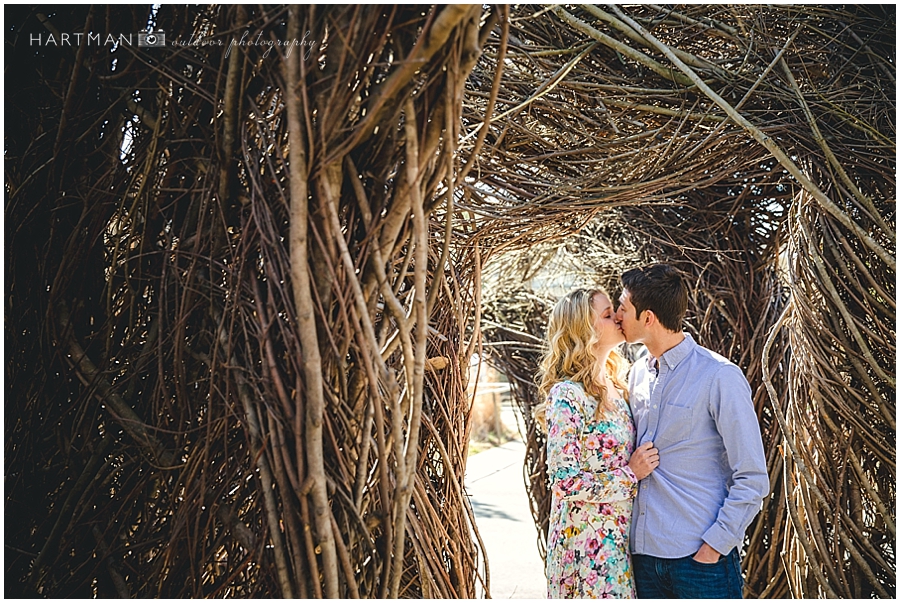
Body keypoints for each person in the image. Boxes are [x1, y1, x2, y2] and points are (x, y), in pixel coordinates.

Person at [615, 264, 769, 599]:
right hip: (643, 560)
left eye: (623, 308)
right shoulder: (636, 374)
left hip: (699, 563)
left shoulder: (719, 376)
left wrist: (716, 545)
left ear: (649, 318)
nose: (616, 316)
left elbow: (753, 476)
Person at [535, 288, 659, 599]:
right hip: (584, 546)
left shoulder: (619, 385)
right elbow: (565, 482)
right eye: (607, 315)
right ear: (584, 330)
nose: (618, 317)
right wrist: (630, 474)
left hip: (619, 542)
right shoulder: (568, 395)